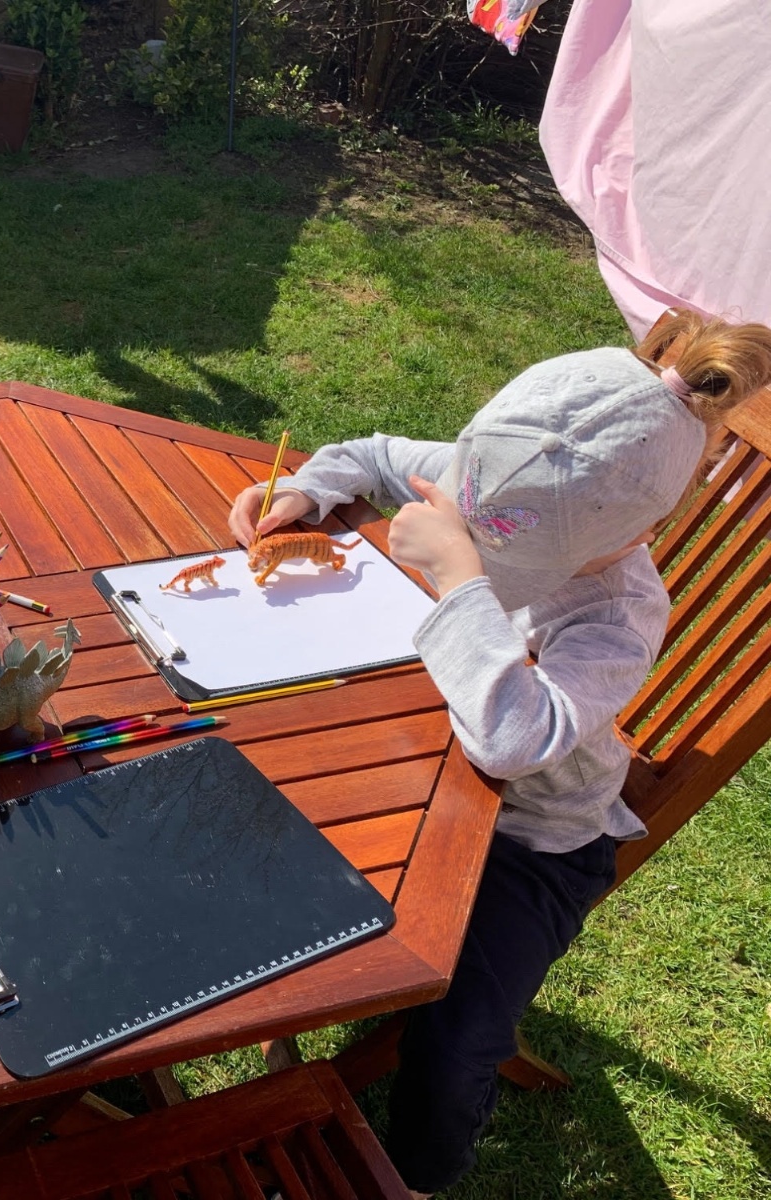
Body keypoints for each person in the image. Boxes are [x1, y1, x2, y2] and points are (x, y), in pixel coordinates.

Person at [227, 312, 771, 1196]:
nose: (472, 545)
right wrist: (307, 491)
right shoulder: (498, 481)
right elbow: (371, 456)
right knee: (240, 817)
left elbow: (517, 742)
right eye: (471, 530)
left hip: (532, 840)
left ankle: (415, 1178)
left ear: (634, 536)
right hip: (414, 758)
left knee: (456, 1042)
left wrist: (461, 581)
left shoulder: (617, 617)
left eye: (501, 558)